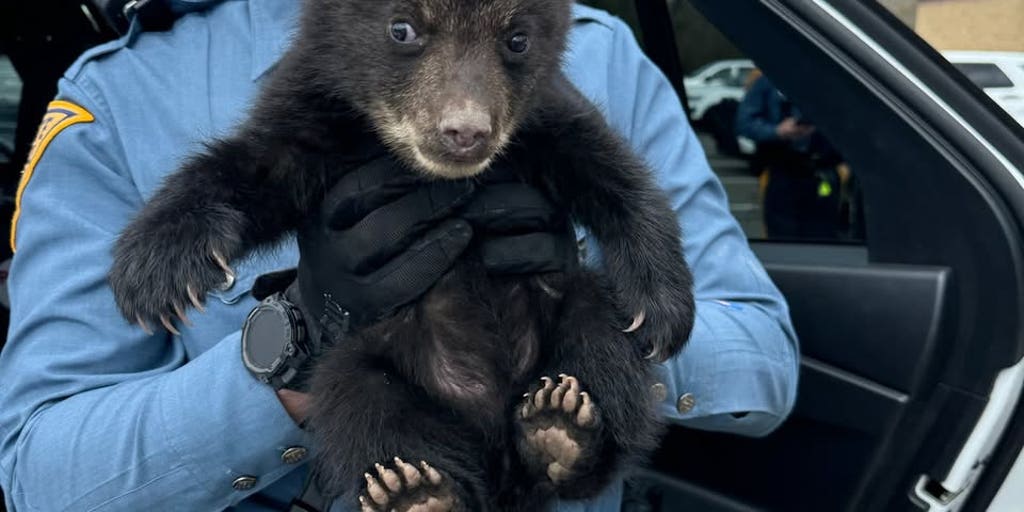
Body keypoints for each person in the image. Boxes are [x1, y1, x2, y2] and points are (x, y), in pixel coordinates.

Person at [0, 1, 799, 511]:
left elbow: (763, 357)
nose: (467, 118)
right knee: (359, 396)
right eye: (412, 33)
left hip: (551, 433)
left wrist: (603, 330)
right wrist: (293, 351)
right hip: (380, 414)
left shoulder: (599, 57)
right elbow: (43, 480)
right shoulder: (126, 95)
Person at [736, 73, 846, 240]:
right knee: (783, 240)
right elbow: (743, 123)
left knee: (824, 240)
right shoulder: (768, 82)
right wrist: (777, 131)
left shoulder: (834, 81)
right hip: (783, 174)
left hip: (823, 173)